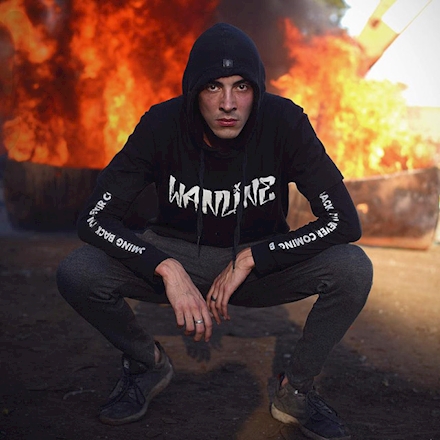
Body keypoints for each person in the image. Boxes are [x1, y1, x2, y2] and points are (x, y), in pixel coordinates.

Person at [56, 22, 373, 440]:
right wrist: (164, 266)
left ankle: (295, 391)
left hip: (257, 264)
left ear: (257, 90)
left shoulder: (284, 122)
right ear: (194, 92)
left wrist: (256, 256)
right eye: (213, 87)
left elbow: (343, 221)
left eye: (241, 87)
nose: (228, 104)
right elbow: (94, 219)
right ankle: (147, 363)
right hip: (175, 253)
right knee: (78, 271)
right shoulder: (161, 124)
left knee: (353, 268)